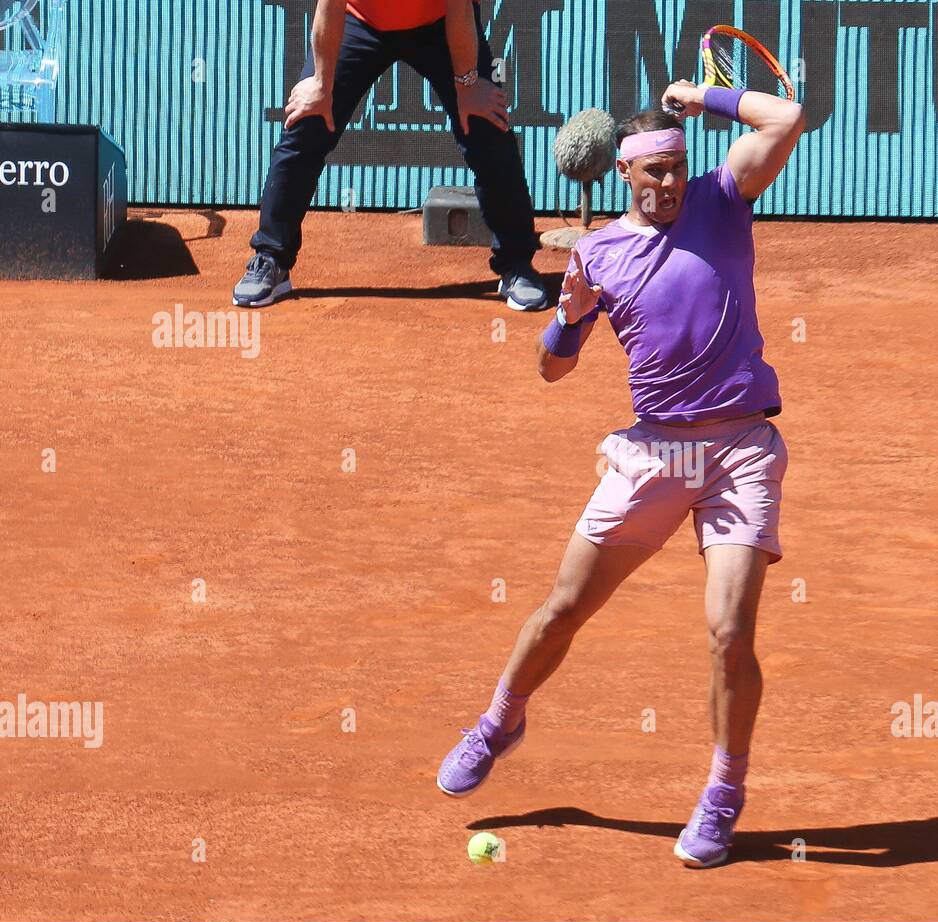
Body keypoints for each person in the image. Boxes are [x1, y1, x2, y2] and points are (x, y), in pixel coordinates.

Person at [437, 79, 805, 868]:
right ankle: (501, 719)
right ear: (625, 176)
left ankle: (723, 792)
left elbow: (787, 115)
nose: (670, 183)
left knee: (729, 633)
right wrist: (567, 320)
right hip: (653, 455)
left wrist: (704, 97)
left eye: (676, 167)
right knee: (565, 607)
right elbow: (551, 371)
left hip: (742, 449)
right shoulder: (597, 253)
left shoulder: (725, 195)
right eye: (654, 173)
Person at [233, 0, 545, 311]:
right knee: (307, 123)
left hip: (440, 21)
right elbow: (329, 4)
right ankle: (271, 257)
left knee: (487, 128)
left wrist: (468, 85)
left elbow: (460, 8)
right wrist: (320, 83)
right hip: (359, 19)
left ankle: (516, 264)